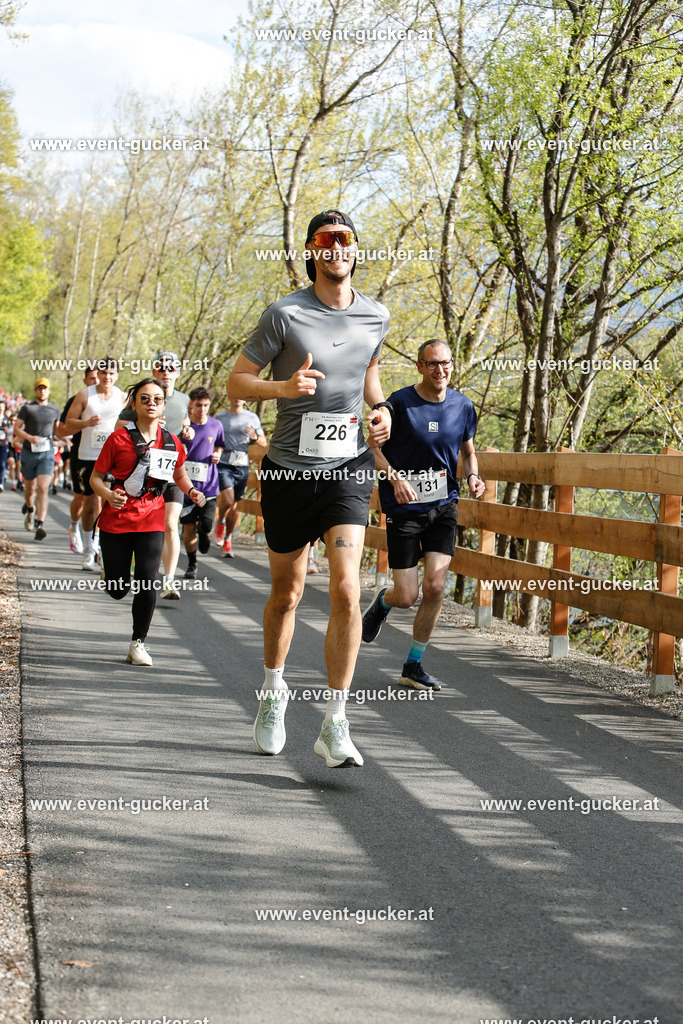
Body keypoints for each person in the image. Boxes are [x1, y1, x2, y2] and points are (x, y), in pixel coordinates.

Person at [228, 208, 392, 769]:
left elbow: (368, 379)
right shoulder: (285, 314)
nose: (337, 248)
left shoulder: (376, 316)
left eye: (345, 240)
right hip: (287, 471)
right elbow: (237, 383)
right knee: (288, 593)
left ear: (355, 250)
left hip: (347, 468)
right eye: (326, 240)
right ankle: (273, 696)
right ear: (312, 250)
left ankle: (335, 722)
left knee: (347, 590)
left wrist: (383, 409)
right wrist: (284, 385)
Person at [361, 339, 486, 690]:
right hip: (404, 509)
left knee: (434, 587)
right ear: (419, 366)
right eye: (431, 364)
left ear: (452, 365)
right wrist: (394, 478)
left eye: (445, 363)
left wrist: (474, 475)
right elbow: (372, 450)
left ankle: (413, 665)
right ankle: (383, 603)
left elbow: (468, 452)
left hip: (443, 506)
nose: (439, 370)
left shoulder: (463, 406)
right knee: (406, 596)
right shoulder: (399, 404)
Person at [90, 378, 206, 666]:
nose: (151, 403)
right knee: (118, 590)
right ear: (134, 404)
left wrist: (191, 490)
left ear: (164, 405)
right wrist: (107, 493)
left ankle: (138, 643)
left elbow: (178, 475)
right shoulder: (118, 439)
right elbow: (94, 477)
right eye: (144, 399)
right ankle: (113, 575)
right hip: (116, 520)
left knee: (147, 581)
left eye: (156, 399)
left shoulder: (171, 441)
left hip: (151, 518)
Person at [117, 351, 191, 600]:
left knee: (171, 523)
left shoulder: (183, 398)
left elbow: (184, 422)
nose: (166, 372)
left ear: (178, 372)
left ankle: (169, 581)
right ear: (154, 370)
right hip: (142, 472)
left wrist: (188, 431)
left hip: (171, 471)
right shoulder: (144, 394)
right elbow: (119, 425)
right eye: (161, 368)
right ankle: (129, 567)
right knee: (139, 524)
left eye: (171, 368)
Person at [64, 357, 126, 570]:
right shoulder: (85, 395)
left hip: (112, 457)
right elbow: (68, 423)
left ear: (117, 375)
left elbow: (131, 423)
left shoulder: (122, 397)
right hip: (87, 456)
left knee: (106, 502)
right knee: (90, 504)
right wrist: (86, 423)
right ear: (97, 374)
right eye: (103, 373)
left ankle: (99, 546)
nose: (107, 377)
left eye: (111, 373)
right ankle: (89, 549)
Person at [179, 387, 225, 580]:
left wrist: (217, 455)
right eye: (198, 405)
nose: (202, 409)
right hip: (186, 488)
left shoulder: (216, 425)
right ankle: (192, 564)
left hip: (209, 486)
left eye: (206, 405)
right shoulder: (182, 426)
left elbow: (220, 444)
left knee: (206, 524)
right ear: (191, 405)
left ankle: (204, 532)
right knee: (188, 529)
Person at [215, 397, 267, 558]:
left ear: (244, 399)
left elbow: (263, 443)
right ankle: (221, 521)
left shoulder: (252, 418)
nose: (237, 399)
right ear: (229, 396)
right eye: (234, 395)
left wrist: (254, 437)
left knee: (234, 506)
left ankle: (228, 539)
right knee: (229, 501)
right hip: (224, 463)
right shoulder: (220, 417)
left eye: (240, 396)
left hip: (242, 464)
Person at [56, 365, 98, 553]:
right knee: (80, 499)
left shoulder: (115, 399)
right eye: (92, 378)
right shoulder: (77, 399)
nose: (96, 382)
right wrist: (85, 423)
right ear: (84, 381)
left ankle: (94, 542)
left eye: (99, 377)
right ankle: (74, 526)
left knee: (98, 501)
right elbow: (61, 430)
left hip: (103, 456)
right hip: (81, 454)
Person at [13, 379, 61, 540]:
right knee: (30, 488)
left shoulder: (55, 409)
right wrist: (28, 437)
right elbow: (16, 429)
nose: (42, 391)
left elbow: (57, 431)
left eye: (45, 389)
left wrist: (64, 440)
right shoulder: (27, 408)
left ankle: (40, 524)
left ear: (49, 391)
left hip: (46, 453)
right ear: (35, 390)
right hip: (29, 452)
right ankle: (29, 508)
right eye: (39, 389)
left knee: (42, 487)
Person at [0, 399, 11, 491]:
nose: (0, 408)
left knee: (3, 463)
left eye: (2, 407)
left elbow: (11, 431)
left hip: (4, 444)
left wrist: (8, 431)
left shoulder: (7, 419)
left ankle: (1, 483)